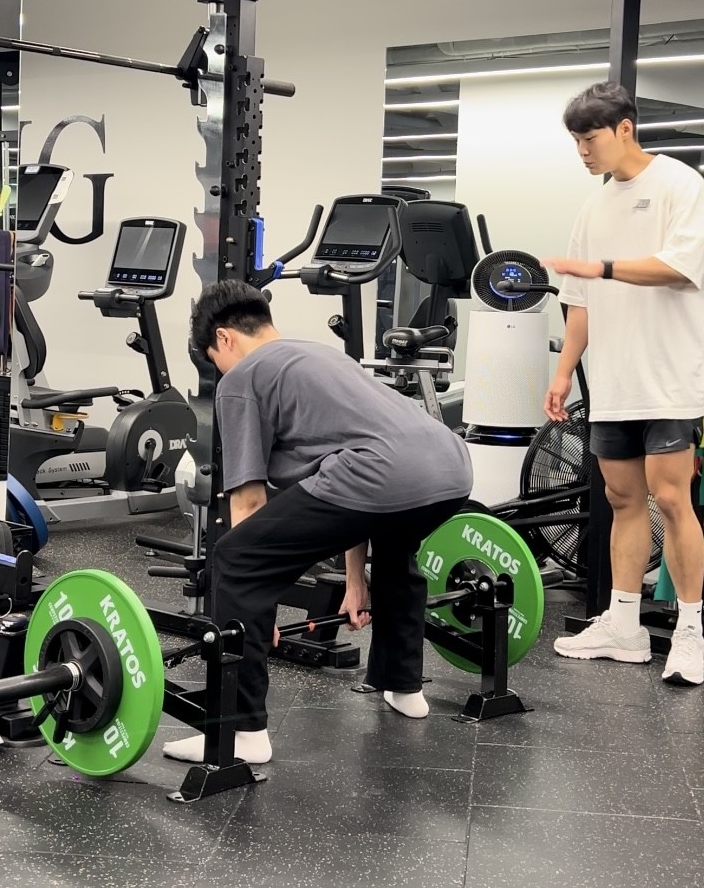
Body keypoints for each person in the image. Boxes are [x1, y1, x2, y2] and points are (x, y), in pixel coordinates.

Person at [163, 279, 474, 765]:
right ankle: (403, 683)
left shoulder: (241, 378)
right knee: (396, 547)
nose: (217, 370)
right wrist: (355, 580)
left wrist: (251, 607)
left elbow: (248, 503)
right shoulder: (323, 356)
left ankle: (240, 734)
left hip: (379, 475)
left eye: (213, 358)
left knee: (236, 558)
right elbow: (359, 488)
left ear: (224, 338)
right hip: (450, 470)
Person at [545, 82, 704, 686]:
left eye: (589, 139)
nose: (582, 152)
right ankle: (624, 626)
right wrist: (564, 373)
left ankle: (690, 632)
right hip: (615, 380)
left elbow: (678, 267)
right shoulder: (594, 208)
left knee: (671, 500)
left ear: (624, 129)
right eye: (576, 142)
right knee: (622, 500)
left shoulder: (679, 185)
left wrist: (603, 267)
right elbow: (581, 301)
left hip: (670, 378)